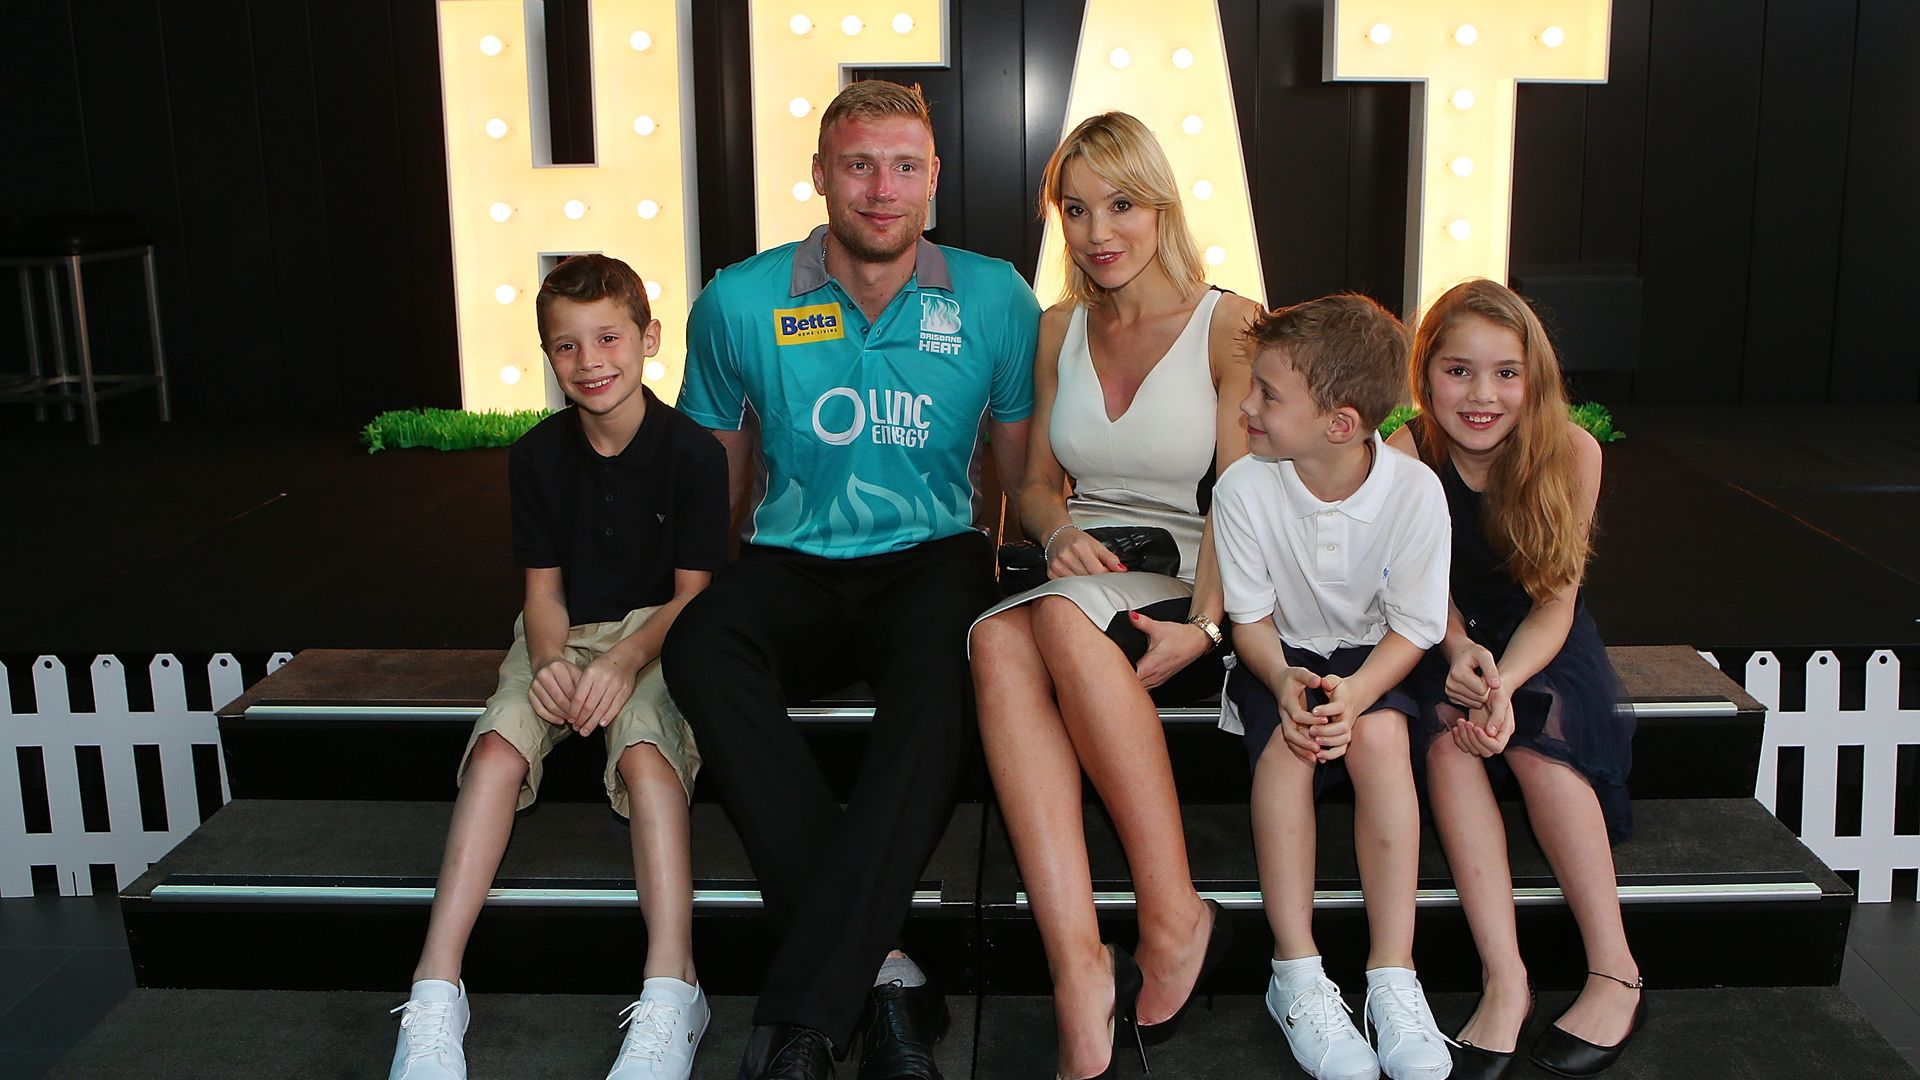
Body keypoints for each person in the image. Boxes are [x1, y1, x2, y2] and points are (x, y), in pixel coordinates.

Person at [661, 79, 1038, 1080]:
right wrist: (689, 595)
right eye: (859, 165)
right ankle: (885, 977)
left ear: (935, 180)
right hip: (795, 560)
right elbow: (721, 489)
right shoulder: (739, 299)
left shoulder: (995, 296)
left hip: (932, 556)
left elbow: (1019, 474)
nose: (882, 188)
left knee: (951, 664)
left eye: (905, 166)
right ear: (821, 174)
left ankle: (803, 1016)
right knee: (702, 642)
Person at [966, 111, 1257, 1080]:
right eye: (1077, 209)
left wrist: (1212, 626)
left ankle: (1172, 917)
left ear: (1161, 205)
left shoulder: (1231, 323)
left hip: (1200, 566)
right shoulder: (1062, 328)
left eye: (1121, 204)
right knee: (996, 641)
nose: (1099, 232)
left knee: (1045, 617)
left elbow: (1248, 498)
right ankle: (1079, 970)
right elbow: (1037, 483)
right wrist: (1056, 532)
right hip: (1093, 566)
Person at [388, 254, 729, 1080]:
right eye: (566, 347)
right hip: (564, 629)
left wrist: (624, 660)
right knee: (498, 750)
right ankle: (434, 994)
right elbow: (541, 592)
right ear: (549, 357)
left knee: (647, 756)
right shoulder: (537, 456)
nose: (590, 363)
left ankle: (670, 990)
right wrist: (547, 663)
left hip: (660, 630)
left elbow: (696, 597)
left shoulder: (692, 453)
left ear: (648, 338)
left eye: (608, 338)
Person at [1387, 278, 1640, 1080]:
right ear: (1425, 376)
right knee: (1449, 747)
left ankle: (1616, 969)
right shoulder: (1404, 453)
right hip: (1440, 632)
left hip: (1538, 636)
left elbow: (1556, 603)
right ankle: (1507, 979)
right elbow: (1417, 589)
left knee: (1540, 742)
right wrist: (1459, 654)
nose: (1482, 394)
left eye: (1506, 373)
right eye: (1458, 371)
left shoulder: (1572, 451)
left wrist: (1505, 685)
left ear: (1535, 380)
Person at [1212, 295, 1454, 1080]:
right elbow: (1249, 619)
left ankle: (1393, 974)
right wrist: (1284, 679)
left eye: (1268, 396)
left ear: (1340, 425)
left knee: (1383, 737)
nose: (1246, 406)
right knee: (1290, 750)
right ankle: (1298, 973)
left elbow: (1415, 627)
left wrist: (1357, 694)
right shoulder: (1242, 490)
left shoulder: (1415, 493)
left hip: (1375, 656)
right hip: (1278, 656)